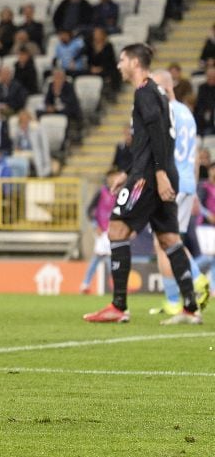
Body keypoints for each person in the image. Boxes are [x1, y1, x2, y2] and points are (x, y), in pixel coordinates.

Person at [83, 44, 200, 324]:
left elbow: (159, 136)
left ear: (135, 62)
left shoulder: (145, 93)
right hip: (156, 172)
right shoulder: (159, 95)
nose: (119, 65)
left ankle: (119, 306)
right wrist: (128, 170)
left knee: (116, 229)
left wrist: (157, 173)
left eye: (122, 60)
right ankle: (190, 308)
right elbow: (151, 140)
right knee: (170, 239)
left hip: (148, 178)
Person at [150, 70, 209, 316]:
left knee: (163, 242)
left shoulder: (165, 112)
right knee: (173, 241)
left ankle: (177, 297)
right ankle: (191, 284)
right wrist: (193, 189)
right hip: (186, 183)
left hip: (169, 183)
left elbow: (159, 149)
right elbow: (194, 156)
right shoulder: (187, 113)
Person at [82, 170, 119, 294]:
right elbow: (89, 210)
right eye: (112, 177)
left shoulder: (119, 193)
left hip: (112, 229)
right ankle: (86, 283)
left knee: (105, 257)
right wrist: (94, 224)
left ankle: (87, 284)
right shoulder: (101, 192)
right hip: (101, 229)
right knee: (103, 256)